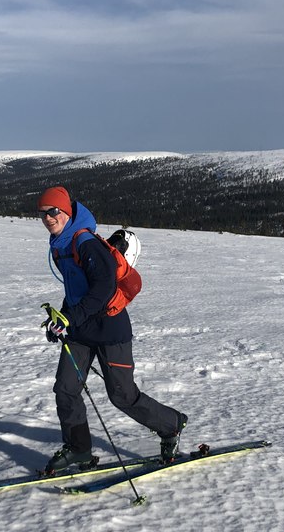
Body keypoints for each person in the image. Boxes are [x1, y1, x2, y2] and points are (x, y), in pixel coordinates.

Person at [37, 185, 187, 476]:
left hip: (110, 329)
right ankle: (79, 448)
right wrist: (61, 319)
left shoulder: (86, 243)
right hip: (80, 331)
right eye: (42, 213)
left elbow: (103, 289)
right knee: (66, 389)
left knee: (122, 396)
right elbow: (75, 291)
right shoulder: (60, 245)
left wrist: (72, 317)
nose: (48, 218)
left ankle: (171, 425)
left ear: (66, 212)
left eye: (53, 211)